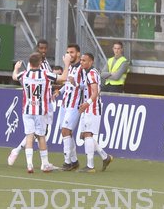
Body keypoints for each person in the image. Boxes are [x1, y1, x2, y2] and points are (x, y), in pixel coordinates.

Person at [9, 52, 68, 173]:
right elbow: (63, 78)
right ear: (40, 63)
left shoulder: (24, 74)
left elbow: (14, 76)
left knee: (29, 135)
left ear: (30, 63)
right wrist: (67, 64)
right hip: (41, 110)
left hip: (27, 109)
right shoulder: (46, 74)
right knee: (41, 136)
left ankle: (29, 164)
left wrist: (16, 68)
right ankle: (44, 163)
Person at [77, 51, 113, 173]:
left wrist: (87, 103)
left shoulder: (91, 73)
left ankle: (90, 166)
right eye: (81, 60)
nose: (81, 62)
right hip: (89, 107)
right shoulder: (89, 72)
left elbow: (95, 92)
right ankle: (105, 156)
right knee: (85, 135)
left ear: (91, 62)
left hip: (92, 108)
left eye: (84, 60)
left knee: (87, 135)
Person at [57, 43, 83, 171]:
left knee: (66, 130)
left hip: (75, 104)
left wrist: (76, 83)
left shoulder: (81, 68)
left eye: (72, 52)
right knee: (66, 132)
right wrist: (59, 91)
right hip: (65, 103)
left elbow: (85, 85)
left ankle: (67, 162)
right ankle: (74, 161)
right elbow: (67, 82)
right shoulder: (71, 67)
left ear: (78, 53)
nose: (69, 55)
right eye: (68, 52)